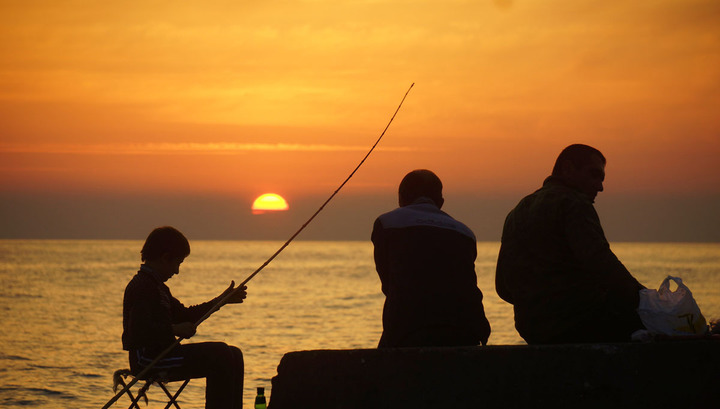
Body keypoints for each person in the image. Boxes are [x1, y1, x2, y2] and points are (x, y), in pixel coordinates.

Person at [495, 144, 646, 344]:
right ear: (567, 169)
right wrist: (644, 298)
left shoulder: (517, 211)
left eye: (601, 179)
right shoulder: (573, 203)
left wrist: (535, 304)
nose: (600, 186)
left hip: (531, 328)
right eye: (594, 175)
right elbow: (600, 262)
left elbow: (502, 287)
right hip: (578, 322)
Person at [122, 226, 247, 408]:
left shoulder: (159, 288)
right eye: (177, 264)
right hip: (148, 360)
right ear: (165, 258)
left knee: (234, 353)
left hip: (165, 354)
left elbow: (185, 315)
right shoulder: (142, 287)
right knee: (221, 354)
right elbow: (137, 333)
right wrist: (174, 330)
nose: (177, 271)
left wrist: (221, 301)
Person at [372, 169, 491, 348]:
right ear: (441, 202)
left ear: (401, 198)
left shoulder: (387, 223)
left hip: (407, 330)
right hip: (466, 330)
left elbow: (388, 284)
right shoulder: (464, 232)